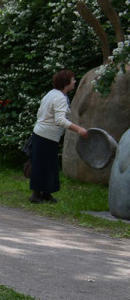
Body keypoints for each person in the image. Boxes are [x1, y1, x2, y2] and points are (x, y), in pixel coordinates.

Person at [29, 69, 89, 203]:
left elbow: (41, 113)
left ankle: (45, 193)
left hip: (42, 133)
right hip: (47, 135)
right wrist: (79, 129)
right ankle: (37, 195)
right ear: (66, 82)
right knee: (45, 165)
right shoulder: (60, 98)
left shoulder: (51, 94)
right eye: (73, 79)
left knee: (46, 165)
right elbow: (60, 120)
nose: (74, 82)